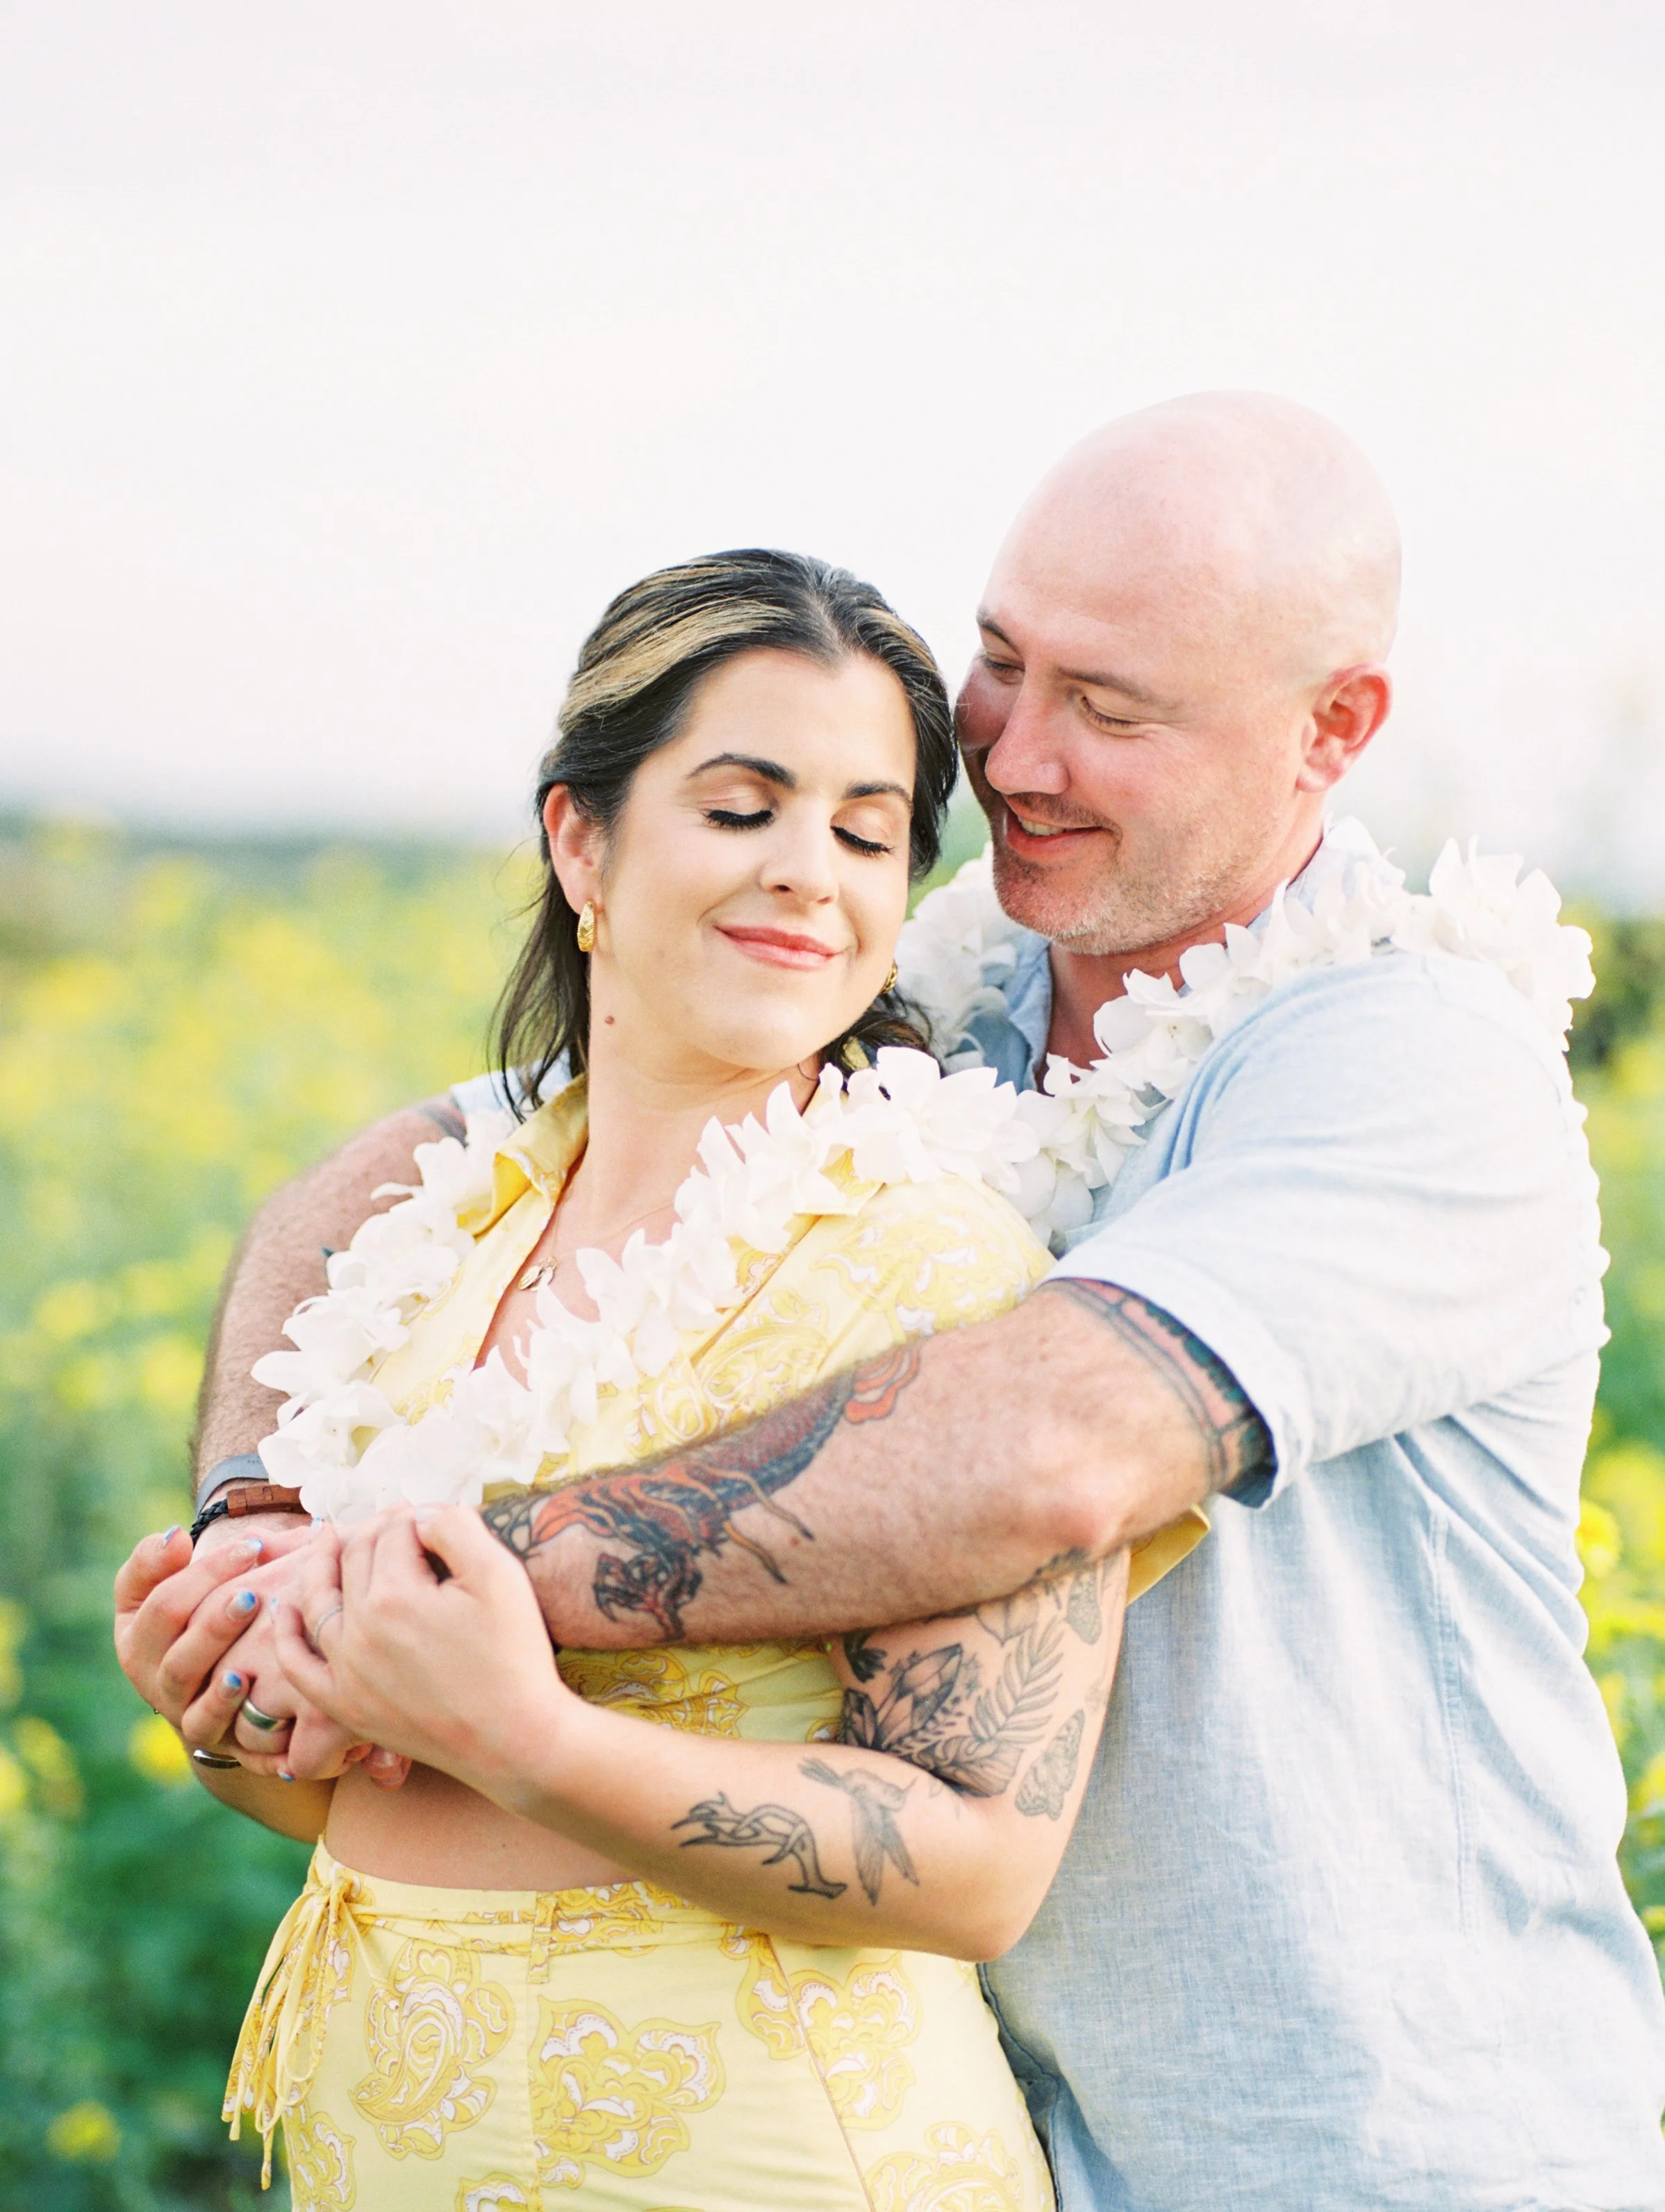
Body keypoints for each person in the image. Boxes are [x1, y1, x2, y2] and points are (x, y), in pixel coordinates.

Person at [117, 395, 1665, 2210]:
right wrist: (256, 1524)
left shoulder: (1407, 1058)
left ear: (1333, 729)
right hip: (1007, 2110)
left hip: (1370, 2142)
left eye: (1111, 707)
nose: (1009, 757)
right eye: (1002, 665)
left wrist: (401, 1585)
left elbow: (1037, 1454)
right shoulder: (956, 978)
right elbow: (422, 1163)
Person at [118, 547, 1206, 2210]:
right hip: (390, 2138)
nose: (805, 876)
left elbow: (979, 1861)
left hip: (755, 2154)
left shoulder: (925, 1256)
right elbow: (347, 1791)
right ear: (581, 839)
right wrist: (231, 1693)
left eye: (863, 832)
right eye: (740, 805)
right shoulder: (440, 1237)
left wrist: (534, 1735)